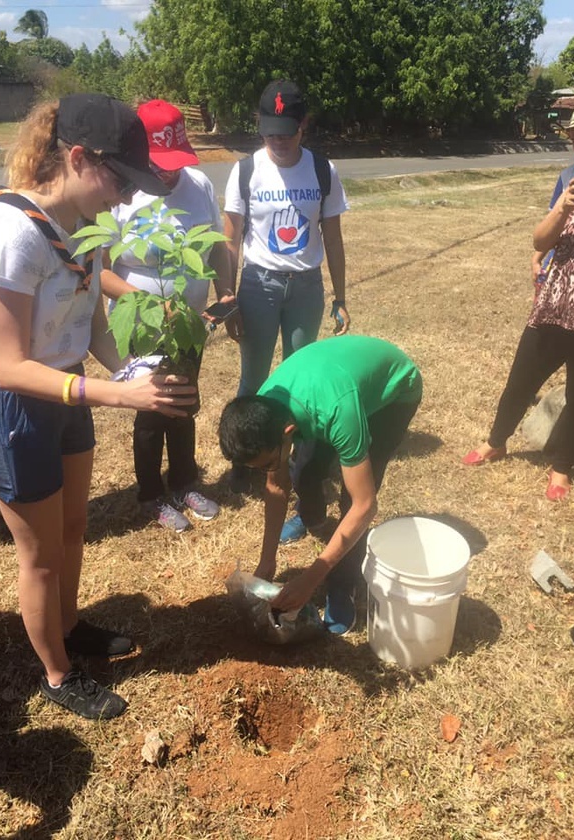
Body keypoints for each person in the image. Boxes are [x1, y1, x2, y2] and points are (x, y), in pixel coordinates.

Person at [0, 94, 197, 720]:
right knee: (37, 555)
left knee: (73, 528)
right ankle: (58, 677)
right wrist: (116, 392)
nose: (124, 197)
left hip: (65, 391)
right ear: (81, 158)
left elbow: (89, 326)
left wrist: (135, 372)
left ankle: (67, 626)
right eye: (120, 179)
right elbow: (7, 365)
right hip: (11, 406)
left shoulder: (87, 232)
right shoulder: (8, 235)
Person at [219, 335, 422, 635]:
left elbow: (364, 506)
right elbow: (276, 487)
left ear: (287, 433)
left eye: (266, 464)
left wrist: (312, 577)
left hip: (392, 392)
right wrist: (266, 564)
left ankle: (343, 586)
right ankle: (310, 516)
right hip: (330, 385)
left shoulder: (338, 412)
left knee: (351, 501)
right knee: (305, 473)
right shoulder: (264, 408)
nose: (266, 473)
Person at [102, 99, 233, 532]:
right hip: (141, 323)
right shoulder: (120, 193)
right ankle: (151, 494)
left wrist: (226, 294)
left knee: (183, 402)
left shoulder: (197, 184)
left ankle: (184, 481)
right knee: (152, 408)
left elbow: (217, 246)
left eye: (175, 161)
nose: (168, 172)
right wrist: (150, 305)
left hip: (189, 322)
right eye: (159, 163)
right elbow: (99, 269)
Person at [223, 79, 350, 505]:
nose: (277, 140)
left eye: (286, 131)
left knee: (301, 380)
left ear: (303, 127)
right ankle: (244, 462)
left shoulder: (321, 170)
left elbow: (332, 237)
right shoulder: (245, 171)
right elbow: (230, 240)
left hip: (306, 287)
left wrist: (341, 296)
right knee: (254, 377)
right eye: (268, 131)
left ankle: (298, 462)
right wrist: (228, 297)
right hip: (258, 285)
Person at [462, 106, 574, 500]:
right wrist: (562, 208)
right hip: (554, 301)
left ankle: (562, 467)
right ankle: (497, 441)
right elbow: (540, 240)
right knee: (522, 377)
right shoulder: (568, 179)